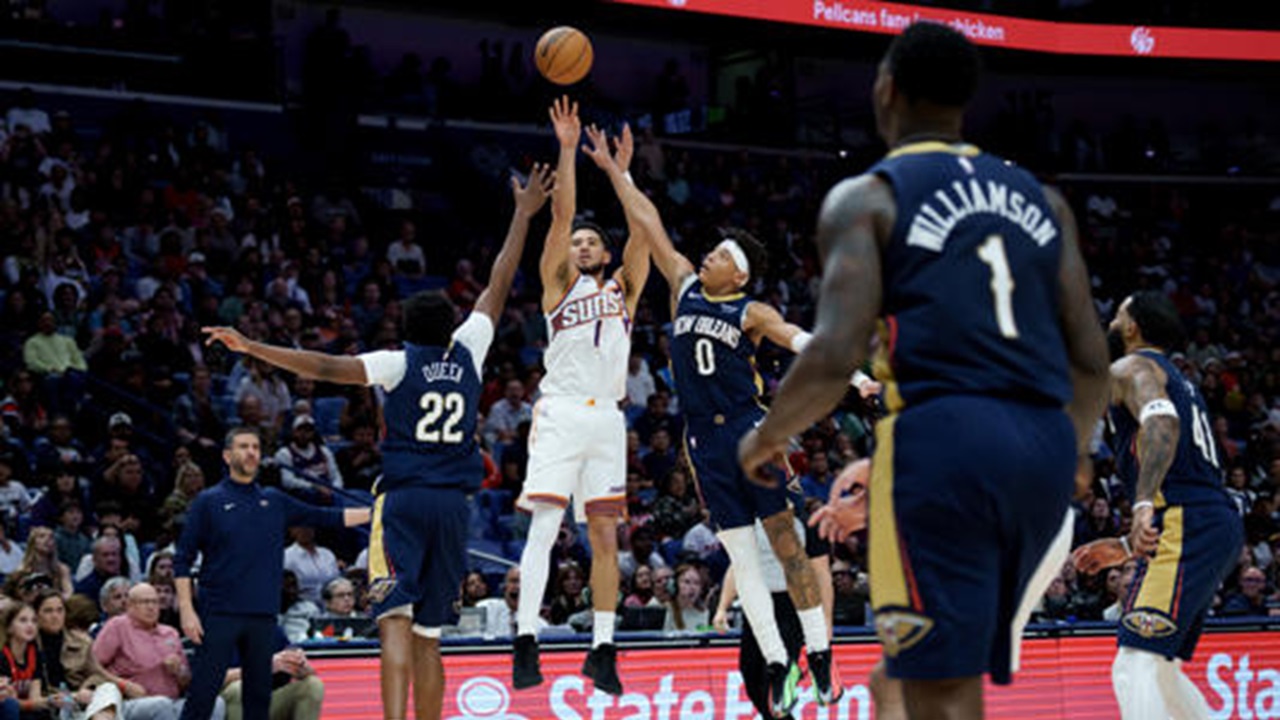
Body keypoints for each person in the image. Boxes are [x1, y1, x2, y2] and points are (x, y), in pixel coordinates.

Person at [738, 22, 1110, 720]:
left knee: (936, 688)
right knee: (919, 680)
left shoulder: (868, 198)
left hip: (945, 443)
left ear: (886, 89)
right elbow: (1091, 360)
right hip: (1041, 447)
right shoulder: (1044, 201)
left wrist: (767, 438)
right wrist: (1077, 449)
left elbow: (834, 353)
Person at [202, 161, 552, 720]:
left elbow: (322, 364)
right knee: (430, 636)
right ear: (450, 324)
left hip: (406, 501)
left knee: (393, 622)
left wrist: (253, 347)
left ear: (407, 330)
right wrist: (523, 214)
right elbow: (499, 281)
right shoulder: (470, 348)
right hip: (453, 508)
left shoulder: (397, 362)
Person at [580, 121, 875, 715]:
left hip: (749, 432)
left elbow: (801, 339)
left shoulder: (751, 310)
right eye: (710, 252)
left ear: (737, 275)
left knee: (786, 544)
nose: (708, 256)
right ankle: (777, 662)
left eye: (719, 255)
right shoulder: (685, 286)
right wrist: (619, 172)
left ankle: (819, 655)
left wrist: (856, 376)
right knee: (743, 559)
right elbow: (649, 223)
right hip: (702, 442)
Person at [511, 97, 650, 697]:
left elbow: (645, 230)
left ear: (607, 253)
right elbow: (562, 213)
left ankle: (603, 648)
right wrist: (568, 150)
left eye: (593, 241)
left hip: (608, 421)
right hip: (563, 413)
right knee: (544, 527)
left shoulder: (625, 289)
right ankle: (525, 640)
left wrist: (623, 173)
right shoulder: (557, 284)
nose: (583, 245)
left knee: (605, 539)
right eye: (578, 242)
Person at [1072, 290, 1243, 719]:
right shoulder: (1178, 378)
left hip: (1188, 522)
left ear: (1132, 327)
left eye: (1117, 316)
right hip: (1207, 521)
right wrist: (1127, 545)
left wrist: (1143, 505)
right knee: (1161, 670)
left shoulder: (1133, 367)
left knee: (1135, 664)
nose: (1111, 324)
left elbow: (1161, 421)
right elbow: (1187, 475)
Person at [172, 428, 369, 720]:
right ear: (227, 456)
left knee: (258, 700)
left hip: (263, 615)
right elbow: (183, 559)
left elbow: (326, 517)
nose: (251, 452)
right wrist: (187, 610)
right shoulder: (208, 501)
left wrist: (378, 513)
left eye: (255, 447)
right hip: (219, 612)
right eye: (243, 446)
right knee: (202, 696)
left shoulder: (274, 500)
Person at [94, 583, 226, 719]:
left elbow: (186, 681)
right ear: (130, 605)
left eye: (155, 602)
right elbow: (92, 667)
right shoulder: (117, 626)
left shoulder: (170, 633)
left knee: (215, 703)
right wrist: (123, 685)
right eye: (145, 602)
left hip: (172, 701)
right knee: (161, 705)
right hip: (131, 701)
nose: (151, 607)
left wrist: (179, 671)